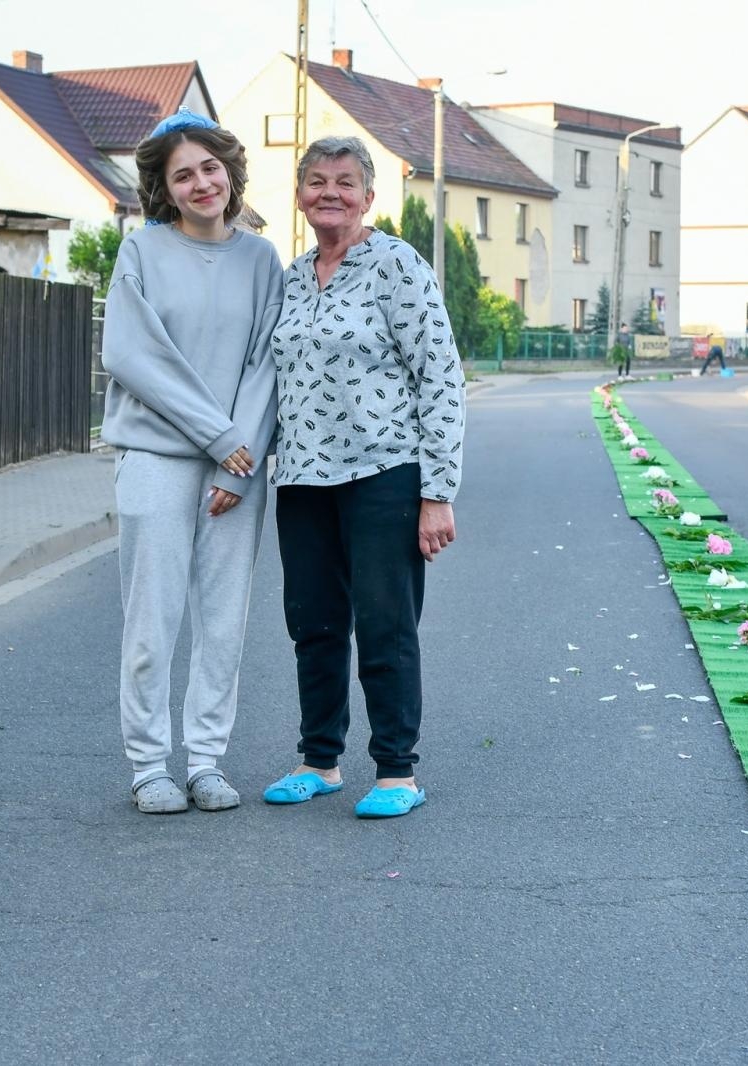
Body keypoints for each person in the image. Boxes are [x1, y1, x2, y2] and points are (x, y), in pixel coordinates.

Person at [262, 135, 465, 819]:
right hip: (302, 480)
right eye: (317, 181)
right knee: (313, 625)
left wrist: (437, 493)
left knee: (386, 625)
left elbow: (440, 377)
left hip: (384, 474)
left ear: (368, 197)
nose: (330, 193)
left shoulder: (397, 265)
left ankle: (396, 772)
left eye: (345, 182)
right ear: (299, 196)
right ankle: (319, 761)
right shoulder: (291, 278)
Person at [99, 108, 283, 814]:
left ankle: (206, 760)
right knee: (152, 624)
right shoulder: (142, 252)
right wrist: (217, 439)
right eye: (184, 175)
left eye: (211, 168)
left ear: (230, 172)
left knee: (222, 623)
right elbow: (132, 354)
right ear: (164, 188)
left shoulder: (261, 260)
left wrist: (238, 461)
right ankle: (150, 765)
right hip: (156, 458)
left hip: (237, 468)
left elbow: (266, 365)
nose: (202, 183)